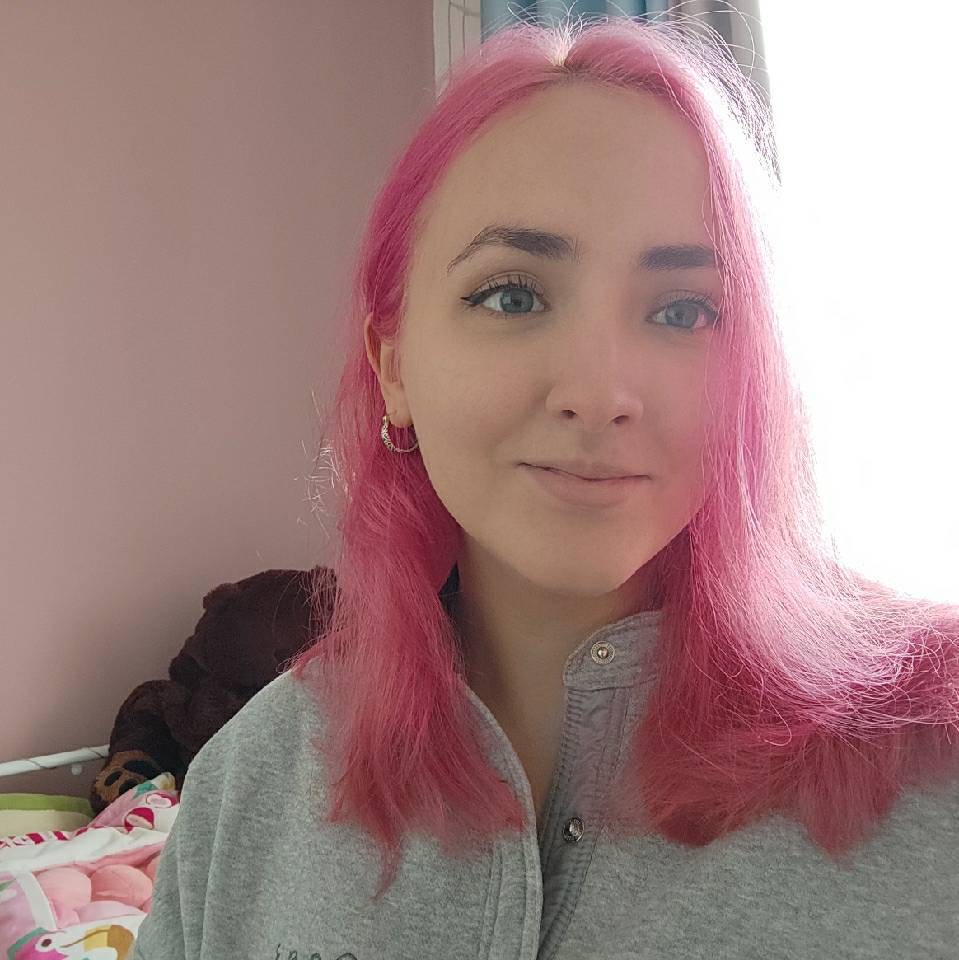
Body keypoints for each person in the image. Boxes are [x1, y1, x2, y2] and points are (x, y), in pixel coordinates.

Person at [134, 15, 959, 960]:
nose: (599, 395)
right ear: (394, 365)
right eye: (512, 295)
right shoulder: (254, 783)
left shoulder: (930, 762)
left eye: (685, 311)